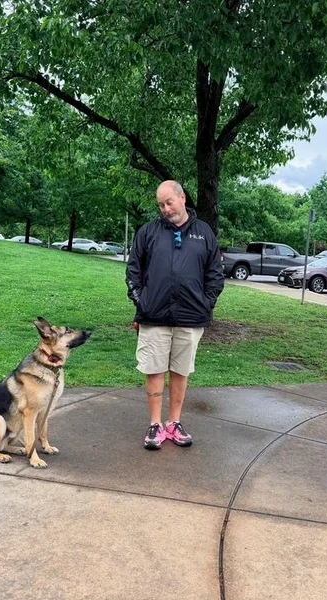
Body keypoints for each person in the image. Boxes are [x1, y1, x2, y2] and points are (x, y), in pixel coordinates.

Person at [126, 180, 224, 450]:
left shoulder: (203, 233)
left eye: (169, 202)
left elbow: (215, 273)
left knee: (180, 371)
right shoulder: (148, 232)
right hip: (153, 316)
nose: (165, 209)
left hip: (191, 317)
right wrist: (142, 301)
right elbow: (133, 271)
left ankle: (174, 423)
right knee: (154, 369)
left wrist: (207, 302)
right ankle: (155, 424)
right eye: (160, 204)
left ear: (182, 198)